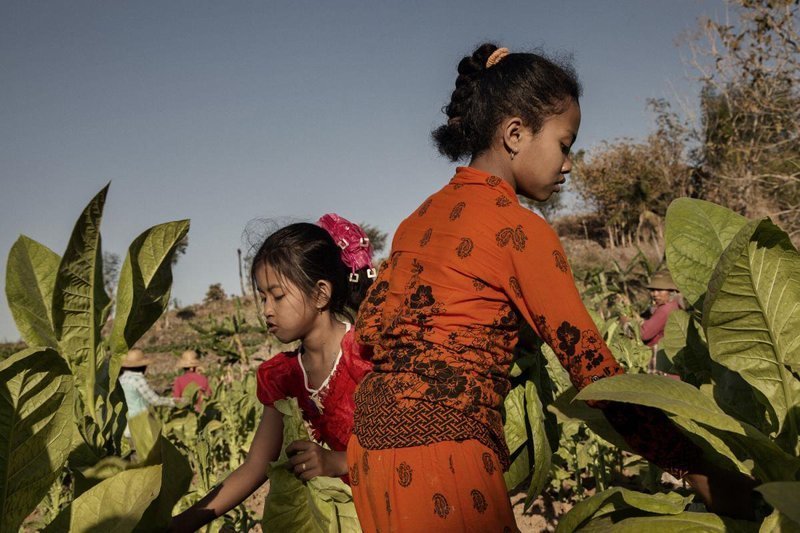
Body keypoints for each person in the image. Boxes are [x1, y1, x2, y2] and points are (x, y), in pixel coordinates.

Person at [347, 43, 756, 532]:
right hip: (443, 459)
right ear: (515, 133)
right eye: (565, 145)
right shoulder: (517, 229)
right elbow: (595, 373)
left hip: (369, 452)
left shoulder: (415, 221)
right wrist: (694, 467)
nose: (568, 165)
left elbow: (377, 332)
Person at [170, 214, 376, 532]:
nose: (266, 309)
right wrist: (180, 524)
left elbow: (402, 450)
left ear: (320, 294)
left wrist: (336, 461)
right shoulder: (282, 376)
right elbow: (256, 467)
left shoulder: (368, 357)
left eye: (277, 296)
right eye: (263, 297)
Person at [119, 348, 176, 437]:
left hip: (125, 424)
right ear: (142, 366)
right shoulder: (138, 379)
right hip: (140, 422)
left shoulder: (121, 379)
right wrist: (174, 401)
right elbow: (155, 400)